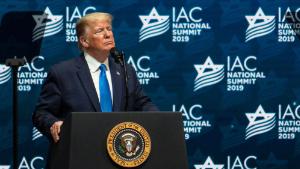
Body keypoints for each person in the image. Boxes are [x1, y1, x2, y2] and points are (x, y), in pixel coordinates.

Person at [32, 12, 158, 144]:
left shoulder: (125, 70)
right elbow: (41, 113)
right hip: (79, 149)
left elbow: (143, 104)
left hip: (120, 151)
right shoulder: (62, 73)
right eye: (100, 31)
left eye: (109, 29)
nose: (108, 34)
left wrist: (159, 120)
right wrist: (53, 123)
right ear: (84, 41)